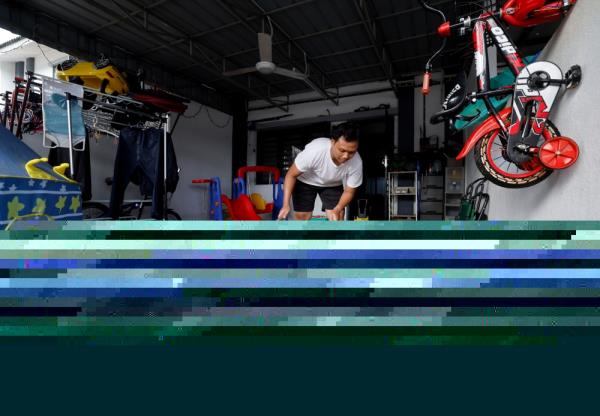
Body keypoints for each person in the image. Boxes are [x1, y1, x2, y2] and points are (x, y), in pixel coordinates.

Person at [277, 122, 363, 221]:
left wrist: (338, 208)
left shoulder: (356, 162)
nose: (346, 156)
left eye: (351, 152)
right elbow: (291, 175)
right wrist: (285, 205)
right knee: (302, 217)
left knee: (337, 217)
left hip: (332, 184)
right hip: (305, 181)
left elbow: (349, 191)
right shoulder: (315, 152)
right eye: (342, 150)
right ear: (333, 142)